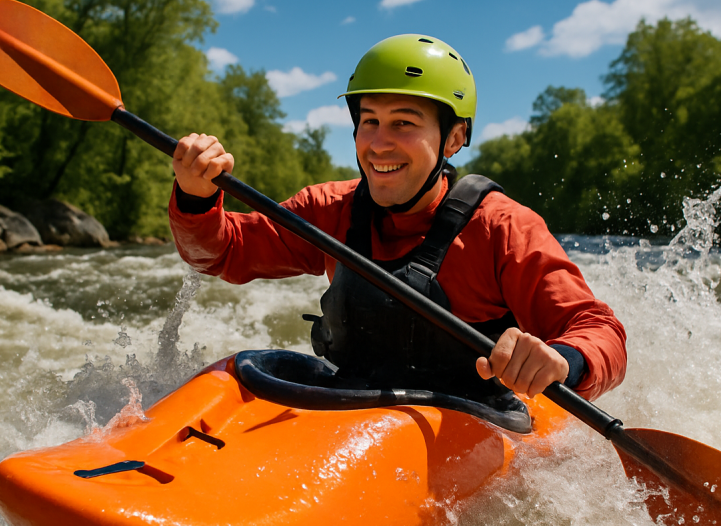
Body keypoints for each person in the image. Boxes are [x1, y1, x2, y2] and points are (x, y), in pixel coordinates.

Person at [168, 34, 626, 406]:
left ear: (454, 138)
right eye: (369, 122)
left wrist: (564, 360)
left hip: (469, 414)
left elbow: (599, 329)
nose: (379, 144)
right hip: (353, 404)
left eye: (403, 123)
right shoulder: (331, 208)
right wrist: (195, 196)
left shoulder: (502, 228)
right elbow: (222, 253)